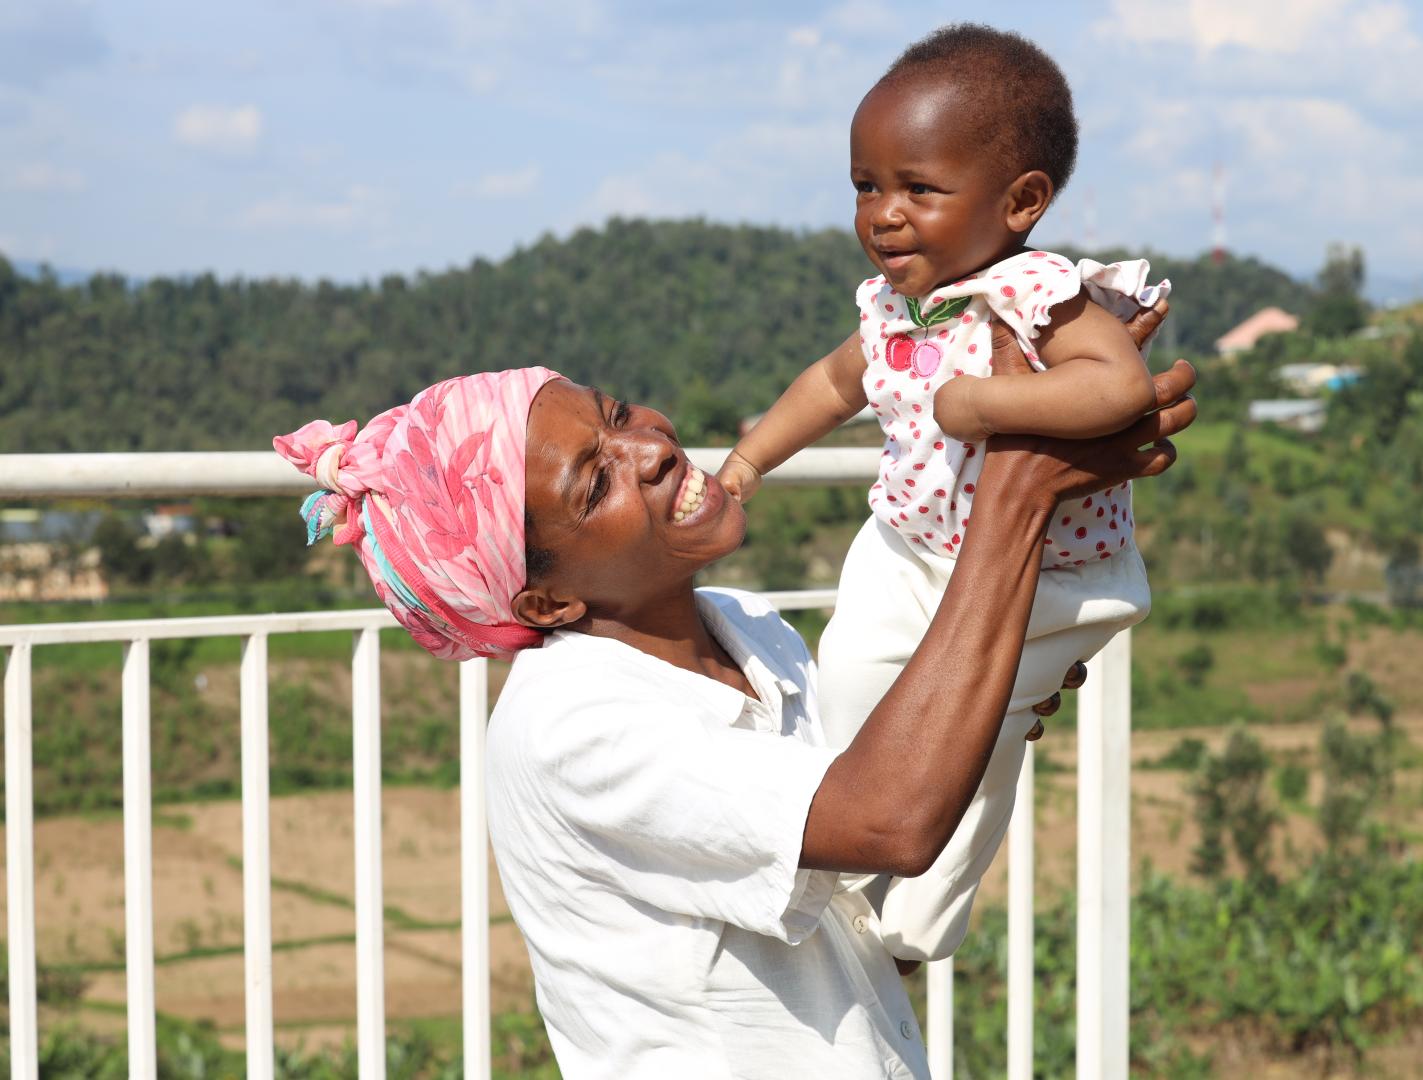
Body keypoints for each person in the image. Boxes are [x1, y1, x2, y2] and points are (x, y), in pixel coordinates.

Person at [273, 323, 1196, 1078]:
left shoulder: (748, 630)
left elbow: (870, 905)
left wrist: (999, 698)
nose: (652, 449)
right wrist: (1018, 492)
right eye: (596, 482)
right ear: (544, 604)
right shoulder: (569, 724)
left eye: (621, 413)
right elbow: (890, 824)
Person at [716, 23, 1171, 964]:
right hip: (909, 551)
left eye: (919, 188)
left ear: (1021, 202)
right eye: (866, 186)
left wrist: (984, 402)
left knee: (979, 740)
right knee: (849, 683)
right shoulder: (888, 308)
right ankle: (831, 860)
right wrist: (749, 460)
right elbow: (830, 386)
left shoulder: (1039, 292)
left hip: (1048, 580)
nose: (884, 214)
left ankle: (914, 931)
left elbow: (1119, 386)